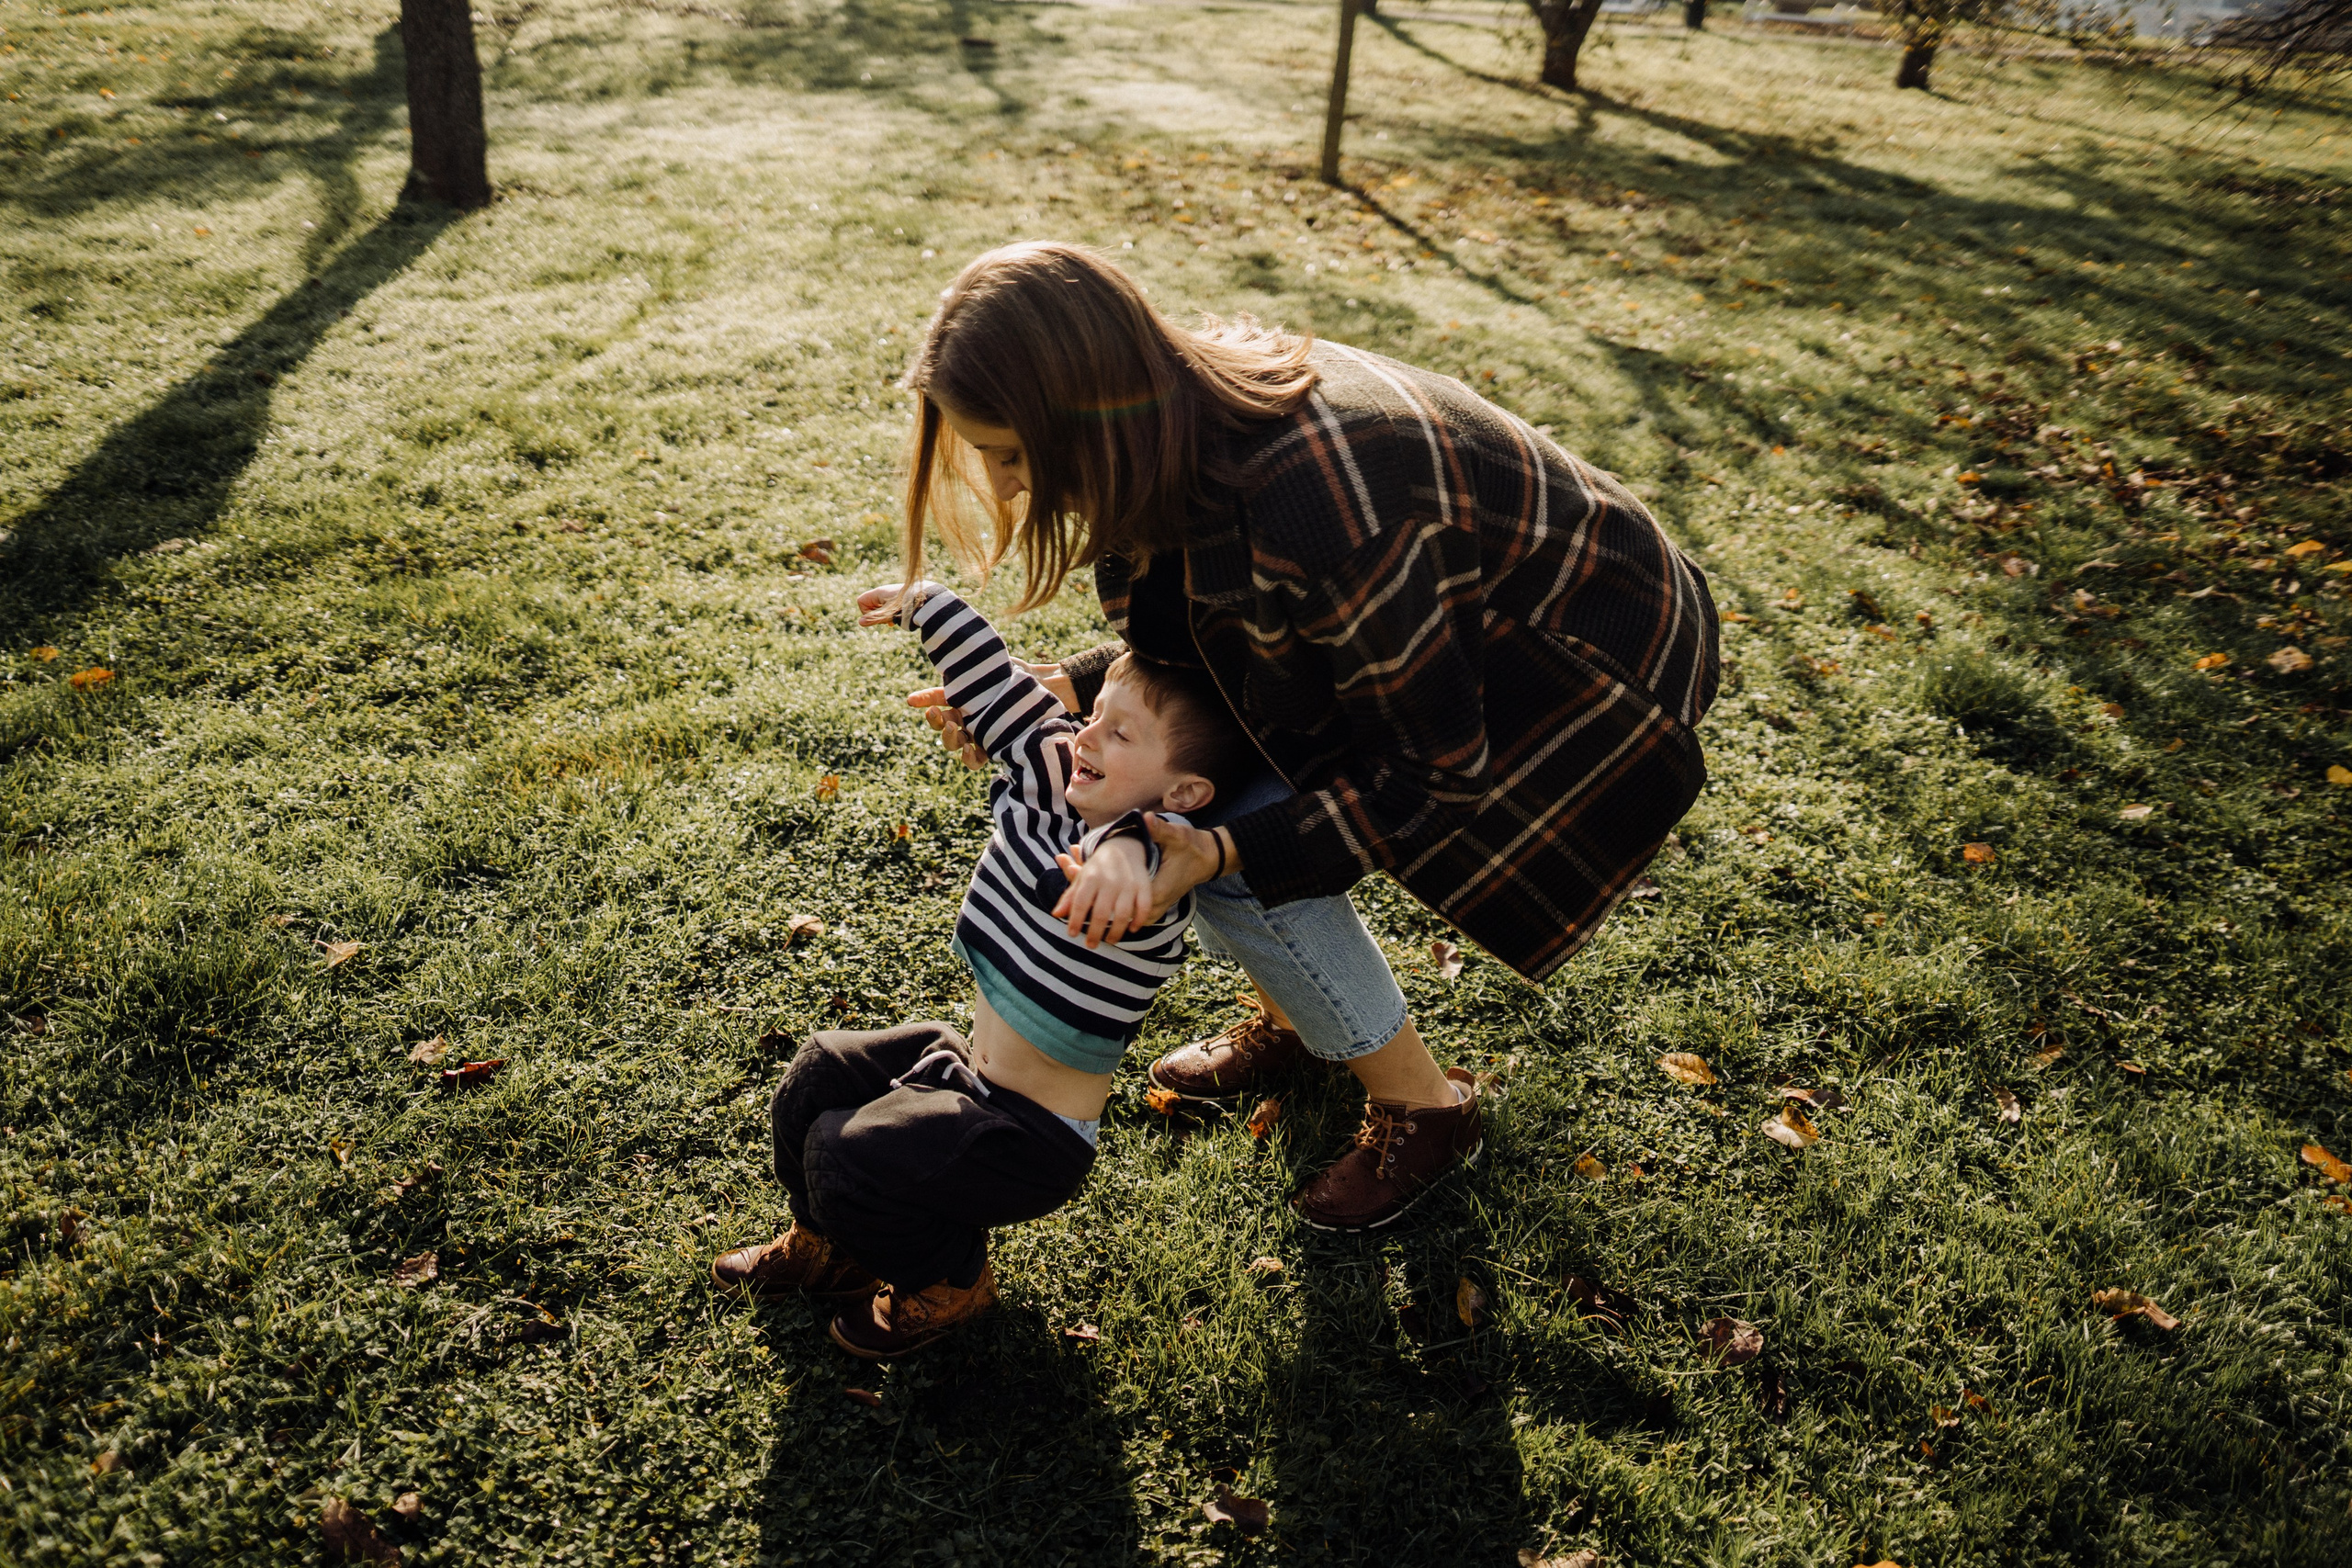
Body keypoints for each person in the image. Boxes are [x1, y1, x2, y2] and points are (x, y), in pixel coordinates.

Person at [894, 242, 1721, 1233]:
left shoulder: (1317, 497)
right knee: (1192, 789)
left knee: (1226, 838)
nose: (1007, 485)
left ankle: (1426, 1108)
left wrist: (1227, 849)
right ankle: (1297, 1017)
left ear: (1086, 407)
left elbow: (1433, 770)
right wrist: (1068, 681)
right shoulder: (1164, 423)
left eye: (1015, 454)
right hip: (1438, 629)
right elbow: (1215, 618)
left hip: (1580, 662)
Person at [710, 580, 1263, 1358]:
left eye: (1120, 733)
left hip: (1028, 1136)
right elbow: (1000, 683)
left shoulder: (1157, 855)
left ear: (1185, 790)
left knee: (848, 1149)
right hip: (966, 1066)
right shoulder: (1051, 773)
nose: (1088, 735)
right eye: (1094, 713)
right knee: (821, 1071)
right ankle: (829, 1243)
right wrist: (928, 602)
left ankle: (951, 1281)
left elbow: (1138, 845)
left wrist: (1122, 862)